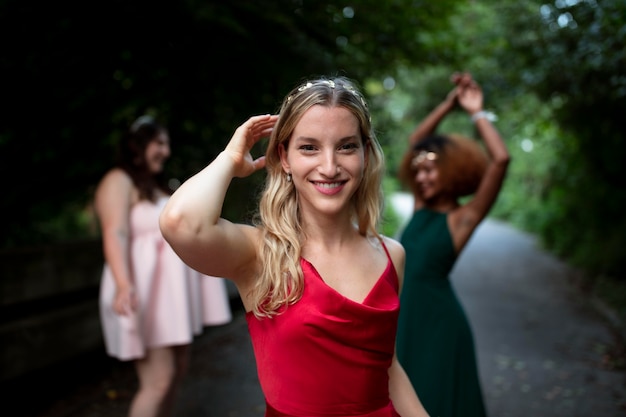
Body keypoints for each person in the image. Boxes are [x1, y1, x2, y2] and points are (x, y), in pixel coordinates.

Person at [159, 76, 430, 417]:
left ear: (365, 153)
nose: (329, 167)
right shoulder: (259, 253)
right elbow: (179, 223)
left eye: (346, 146)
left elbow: (388, 366)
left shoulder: (392, 255)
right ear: (284, 157)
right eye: (309, 147)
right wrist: (229, 159)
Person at [94, 115, 232, 417]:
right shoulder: (117, 180)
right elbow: (114, 232)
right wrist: (123, 284)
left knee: (177, 372)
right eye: (159, 143)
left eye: (167, 144)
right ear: (137, 146)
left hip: (168, 297)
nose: (166, 151)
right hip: (141, 292)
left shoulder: (155, 188)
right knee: (158, 380)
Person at [395, 72, 510, 417]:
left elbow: (501, 160)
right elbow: (418, 139)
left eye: (431, 170)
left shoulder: (463, 218)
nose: (422, 177)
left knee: (437, 398)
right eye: (418, 170)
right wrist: (448, 104)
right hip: (403, 317)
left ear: (452, 170)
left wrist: (476, 111)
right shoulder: (420, 205)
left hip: (440, 324)